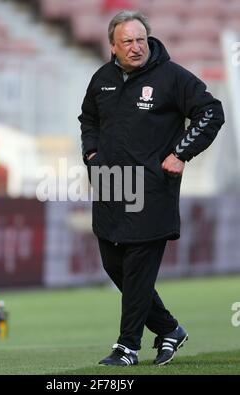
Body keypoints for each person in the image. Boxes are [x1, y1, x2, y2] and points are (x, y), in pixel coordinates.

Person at [78, 10, 224, 366]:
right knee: (116, 268)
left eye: (140, 39)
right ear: (113, 46)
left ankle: (127, 347)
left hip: (153, 192)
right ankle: (169, 329)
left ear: (149, 40)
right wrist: (92, 153)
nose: (135, 47)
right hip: (112, 191)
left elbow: (211, 112)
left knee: (137, 272)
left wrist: (181, 153)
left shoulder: (172, 77)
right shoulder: (102, 79)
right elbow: (88, 119)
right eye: (127, 41)